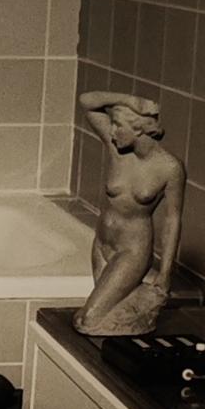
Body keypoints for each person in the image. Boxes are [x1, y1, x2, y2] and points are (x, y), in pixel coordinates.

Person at [73, 89, 188, 334]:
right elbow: (87, 101)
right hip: (102, 243)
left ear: (139, 130)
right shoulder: (117, 150)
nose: (112, 132)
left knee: (88, 322)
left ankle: (145, 277)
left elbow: (173, 220)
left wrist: (166, 273)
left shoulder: (170, 168)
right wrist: (131, 101)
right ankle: (141, 282)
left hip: (131, 250)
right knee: (102, 313)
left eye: (118, 126)